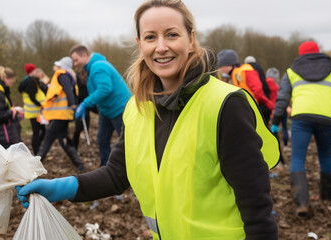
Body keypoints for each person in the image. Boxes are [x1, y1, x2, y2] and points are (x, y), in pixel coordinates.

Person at [16, 1, 280, 239]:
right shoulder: (137, 108)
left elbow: (258, 211)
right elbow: (117, 174)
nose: (161, 46)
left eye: (172, 35)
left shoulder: (226, 104)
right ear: (140, 43)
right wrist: (59, 188)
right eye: (151, 37)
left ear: (191, 39)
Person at [271, 41, 331, 217]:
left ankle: (302, 203)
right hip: (326, 119)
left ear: (300, 54)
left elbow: (282, 99)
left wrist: (276, 121)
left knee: (298, 158)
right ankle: (327, 199)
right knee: (325, 156)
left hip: (301, 118)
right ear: (319, 53)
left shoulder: (291, 72)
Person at [70, 45, 131, 167]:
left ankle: (131, 170)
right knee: (102, 141)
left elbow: (105, 89)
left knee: (127, 143)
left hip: (120, 109)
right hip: (106, 111)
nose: (75, 64)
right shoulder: (92, 67)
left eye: (76, 60)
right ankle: (106, 169)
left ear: (84, 56)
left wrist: (85, 103)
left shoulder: (98, 67)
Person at [37, 56, 86, 172]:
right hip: (62, 115)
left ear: (62, 67)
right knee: (64, 142)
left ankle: (31, 168)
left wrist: (73, 106)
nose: (56, 67)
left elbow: (68, 91)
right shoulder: (64, 76)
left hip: (59, 116)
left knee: (46, 142)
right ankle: (81, 167)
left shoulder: (62, 75)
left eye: (59, 65)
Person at [217, 50, 274, 124]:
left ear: (228, 65)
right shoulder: (233, 75)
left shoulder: (246, 71)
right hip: (245, 110)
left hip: (254, 110)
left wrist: (272, 107)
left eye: (220, 66)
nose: (219, 70)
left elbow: (258, 92)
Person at [18, 63, 47, 154]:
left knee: (43, 131)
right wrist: (41, 104)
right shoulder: (30, 82)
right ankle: (37, 152)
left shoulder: (32, 80)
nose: (37, 71)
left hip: (36, 112)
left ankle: (38, 149)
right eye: (35, 70)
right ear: (31, 72)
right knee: (36, 133)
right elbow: (32, 97)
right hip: (34, 112)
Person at [245, 56, 275, 123]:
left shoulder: (248, 70)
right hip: (266, 100)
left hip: (259, 103)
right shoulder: (259, 68)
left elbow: (256, 89)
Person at [266, 67, 289, 147]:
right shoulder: (281, 86)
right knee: (285, 127)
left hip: (272, 109)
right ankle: (285, 145)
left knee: (272, 127)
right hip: (283, 108)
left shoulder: (266, 86)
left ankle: (274, 145)